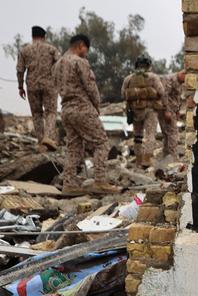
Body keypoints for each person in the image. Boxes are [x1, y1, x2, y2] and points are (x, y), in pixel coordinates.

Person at [53, 33, 117, 195]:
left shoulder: (57, 65)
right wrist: (96, 106)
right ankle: (101, 181)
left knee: (74, 147)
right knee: (101, 143)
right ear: (81, 46)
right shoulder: (80, 62)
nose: (86, 53)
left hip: (66, 110)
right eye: (86, 49)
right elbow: (91, 88)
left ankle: (69, 183)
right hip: (82, 108)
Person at [16, 26, 60, 148]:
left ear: (32, 36)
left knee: (36, 113)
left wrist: (20, 86)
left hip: (32, 86)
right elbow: (60, 65)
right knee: (51, 112)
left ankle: (41, 141)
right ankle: (48, 137)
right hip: (49, 85)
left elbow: (20, 70)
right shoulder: (51, 49)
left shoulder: (24, 50)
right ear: (44, 36)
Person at [122, 55, 166, 165]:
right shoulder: (153, 77)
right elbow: (161, 92)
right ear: (149, 65)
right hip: (150, 110)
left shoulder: (129, 78)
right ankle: (147, 159)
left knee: (137, 136)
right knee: (150, 134)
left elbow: (123, 93)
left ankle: (138, 160)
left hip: (135, 111)